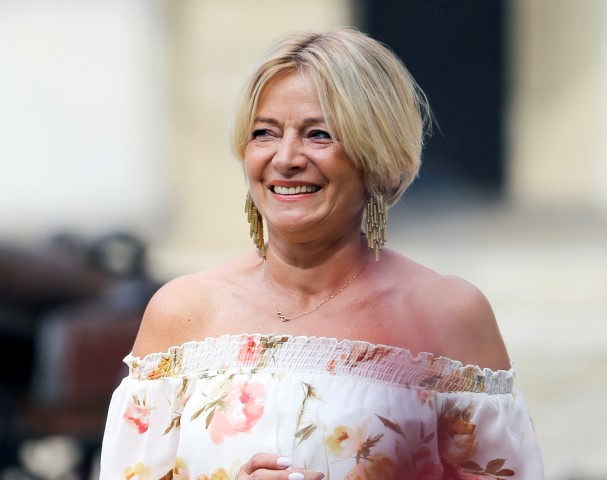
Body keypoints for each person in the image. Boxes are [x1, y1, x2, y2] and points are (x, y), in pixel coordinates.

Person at [99, 27, 543, 479]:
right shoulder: (184, 314)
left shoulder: (450, 315)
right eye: (265, 133)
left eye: (318, 134)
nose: (286, 158)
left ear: (378, 157)